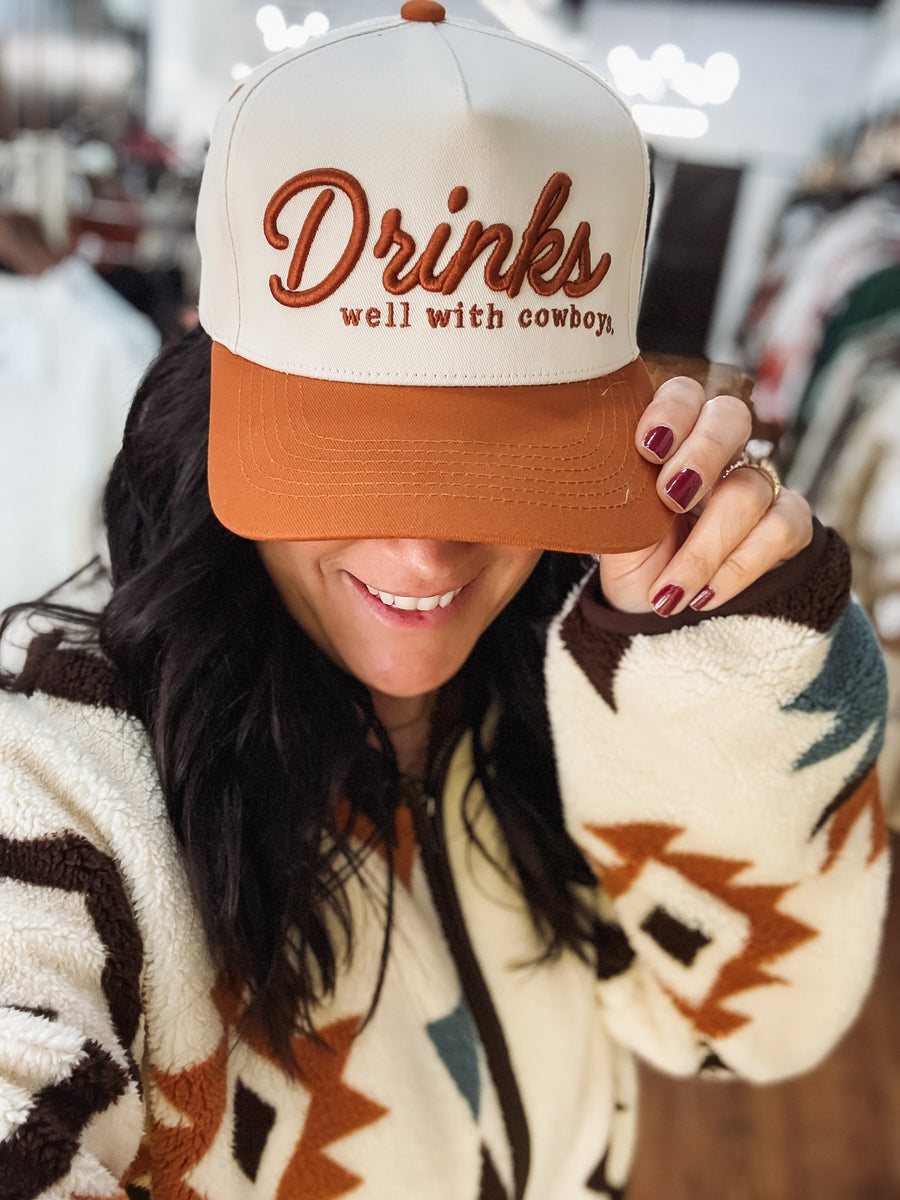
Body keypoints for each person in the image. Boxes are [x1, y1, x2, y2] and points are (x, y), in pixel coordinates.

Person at [0, 6, 889, 1198]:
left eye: (495, 466)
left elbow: (738, 1034)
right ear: (212, 369)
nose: (424, 557)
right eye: (345, 458)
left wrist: (721, 689)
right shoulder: (64, 756)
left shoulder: (577, 676)